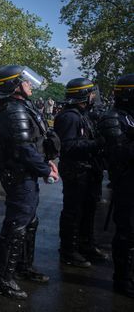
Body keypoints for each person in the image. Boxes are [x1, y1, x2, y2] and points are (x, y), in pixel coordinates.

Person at [0, 65, 59, 300]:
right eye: (25, 81)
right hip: (20, 176)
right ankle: (3, 279)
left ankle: (23, 266)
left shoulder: (21, 107)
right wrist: (45, 170)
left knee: (29, 222)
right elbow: (24, 149)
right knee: (16, 226)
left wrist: (48, 162)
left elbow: (37, 142)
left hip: (27, 174)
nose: (30, 84)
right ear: (14, 85)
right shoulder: (13, 110)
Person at [54, 78, 107, 268]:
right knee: (73, 212)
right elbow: (67, 147)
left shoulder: (82, 114)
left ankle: (86, 244)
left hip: (87, 170)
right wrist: (97, 144)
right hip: (76, 171)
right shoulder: (70, 116)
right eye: (91, 93)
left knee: (88, 210)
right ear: (83, 95)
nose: (94, 96)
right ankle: (69, 250)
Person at [98, 73, 134, 298]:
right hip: (126, 183)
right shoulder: (113, 117)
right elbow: (120, 152)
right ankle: (123, 279)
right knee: (127, 233)